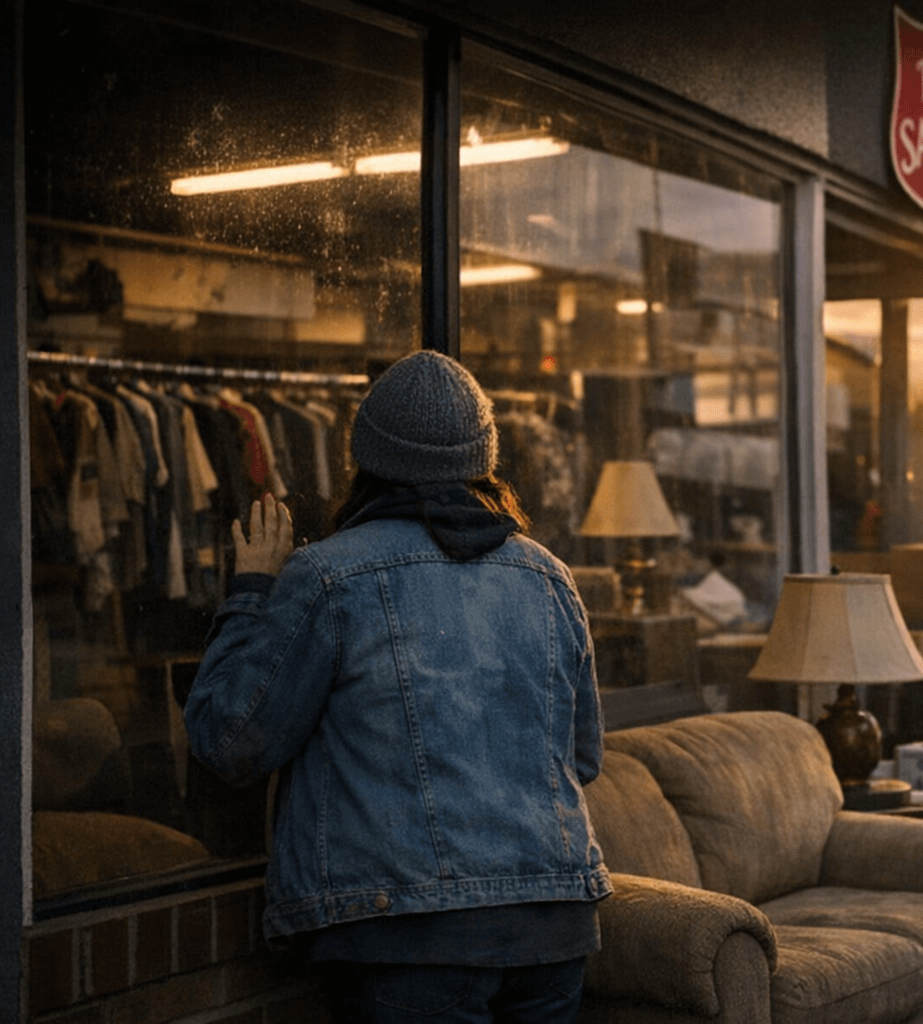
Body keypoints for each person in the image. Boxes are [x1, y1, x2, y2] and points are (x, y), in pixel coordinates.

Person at [183, 351, 609, 1024]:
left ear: (366, 459)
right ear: (483, 460)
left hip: (408, 937)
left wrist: (252, 590)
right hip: (552, 927)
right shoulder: (550, 577)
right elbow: (582, 759)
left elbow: (229, 738)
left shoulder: (328, 576)